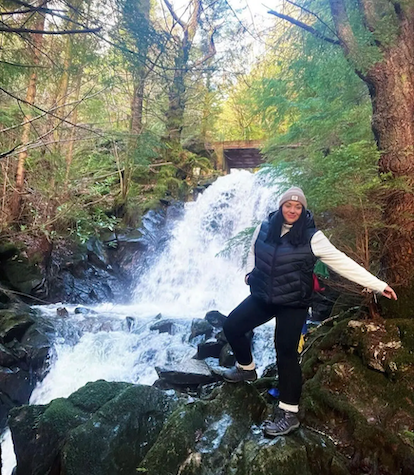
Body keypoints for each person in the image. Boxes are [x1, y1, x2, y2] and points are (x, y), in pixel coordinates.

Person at [222, 187, 397, 437]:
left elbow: (342, 261)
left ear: (303, 210)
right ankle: (246, 368)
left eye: (298, 207)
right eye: (288, 206)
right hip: (263, 296)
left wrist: (378, 285)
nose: (292, 210)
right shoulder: (265, 226)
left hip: (293, 302)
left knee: (285, 350)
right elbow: (253, 251)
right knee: (232, 326)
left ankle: (289, 413)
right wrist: (250, 273)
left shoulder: (313, 237)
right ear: (281, 207)